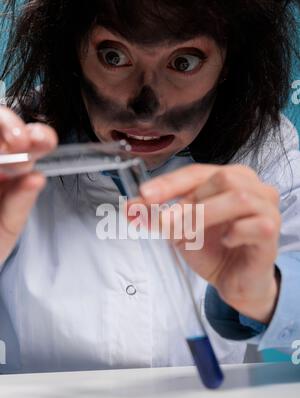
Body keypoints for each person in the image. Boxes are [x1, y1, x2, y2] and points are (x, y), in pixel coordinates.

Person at [0, 0, 299, 374]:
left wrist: (266, 292)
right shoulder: (11, 149)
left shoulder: (265, 151)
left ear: (228, 62)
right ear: (72, 52)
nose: (146, 108)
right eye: (113, 56)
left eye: (184, 62)